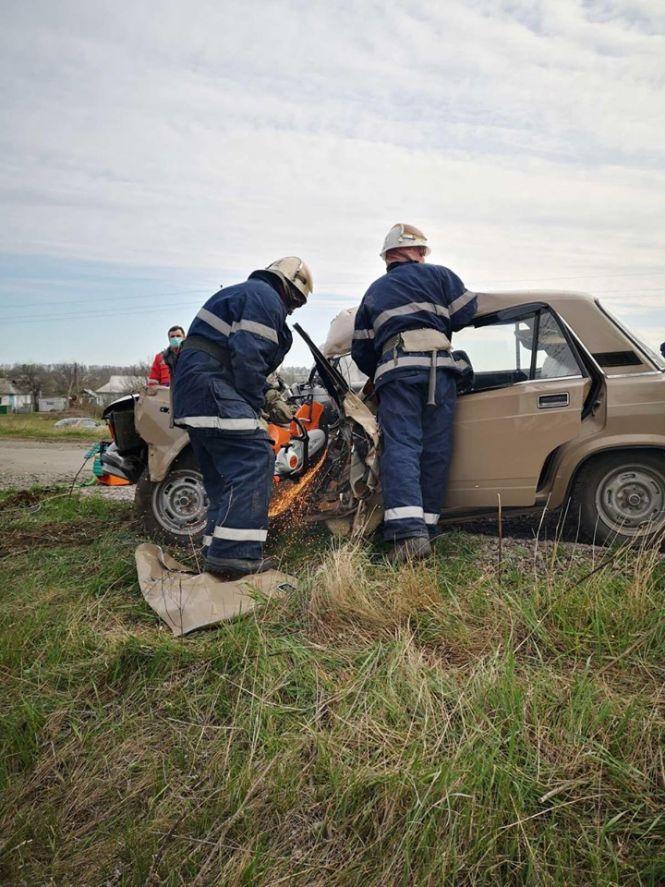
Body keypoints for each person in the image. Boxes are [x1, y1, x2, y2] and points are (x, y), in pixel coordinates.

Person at [172, 257, 313, 577]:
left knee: (225, 478)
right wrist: (255, 406)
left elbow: (237, 353)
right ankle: (236, 557)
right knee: (255, 456)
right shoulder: (265, 298)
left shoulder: (243, 294)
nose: (292, 311)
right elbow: (250, 355)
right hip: (212, 389)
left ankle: (217, 549)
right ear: (290, 289)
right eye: (296, 304)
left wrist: (267, 392)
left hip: (194, 393)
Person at [352, 224, 476, 563]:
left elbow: (361, 351)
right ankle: (427, 529)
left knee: (403, 446)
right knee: (436, 449)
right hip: (442, 373)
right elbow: (468, 312)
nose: (423, 256)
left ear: (389, 257)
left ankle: (408, 535)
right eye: (421, 251)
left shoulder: (375, 292)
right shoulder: (439, 276)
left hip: (398, 372)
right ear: (412, 252)